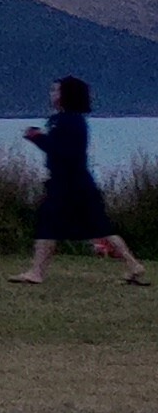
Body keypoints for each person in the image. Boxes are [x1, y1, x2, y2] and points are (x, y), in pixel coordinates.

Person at [15, 75, 147, 287]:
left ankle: (36, 272)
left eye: (55, 91)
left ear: (66, 95)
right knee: (98, 227)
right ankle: (133, 265)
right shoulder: (68, 120)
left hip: (69, 184)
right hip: (75, 182)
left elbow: (64, 152)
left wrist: (38, 138)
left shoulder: (68, 121)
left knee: (50, 225)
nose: (51, 94)